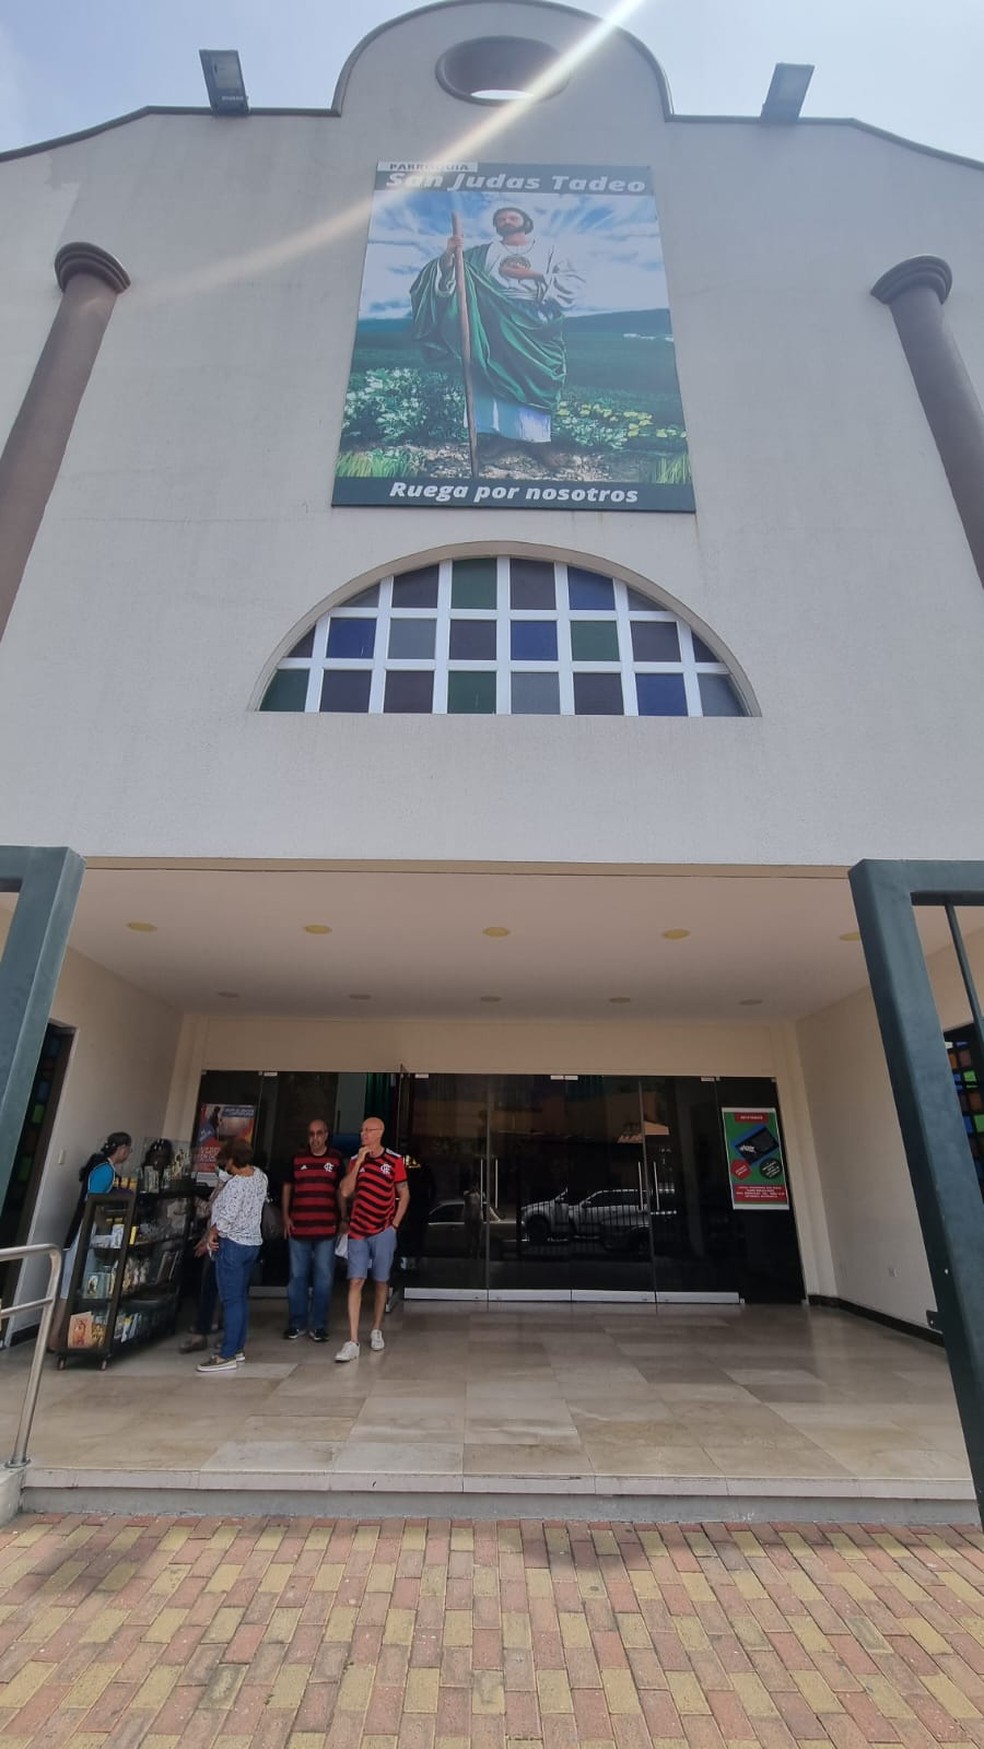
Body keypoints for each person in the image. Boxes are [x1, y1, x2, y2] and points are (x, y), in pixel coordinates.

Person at [410, 205, 583, 466]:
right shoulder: (482, 253)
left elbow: (573, 284)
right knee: (493, 378)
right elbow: (452, 274)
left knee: (534, 381)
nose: (506, 220)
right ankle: (503, 437)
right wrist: (449, 254)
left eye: (512, 217)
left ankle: (539, 443)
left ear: (525, 221)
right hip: (492, 324)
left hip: (536, 323)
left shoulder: (550, 250)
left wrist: (531, 274)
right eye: (501, 218)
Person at [48, 1131, 132, 1352]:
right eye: (128, 1150)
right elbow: (92, 1203)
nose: (128, 1154)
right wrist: (104, 1225)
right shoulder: (104, 1170)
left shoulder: (103, 1168)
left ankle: (70, 1333)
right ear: (121, 1149)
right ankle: (56, 1335)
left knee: (78, 1283)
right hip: (83, 1232)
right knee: (71, 1283)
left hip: (88, 1230)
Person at [335, 1116, 408, 1362]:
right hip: (358, 1230)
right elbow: (345, 1191)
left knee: (380, 1280)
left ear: (380, 1132)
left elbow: (404, 1193)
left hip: (383, 1230)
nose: (363, 1134)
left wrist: (394, 1226)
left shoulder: (395, 1160)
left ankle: (376, 1329)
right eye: (361, 1130)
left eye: (368, 1130)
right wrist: (358, 1164)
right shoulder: (356, 1161)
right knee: (355, 1281)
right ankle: (353, 1339)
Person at [194, 1137, 267, 1374]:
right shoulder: (259, 1177)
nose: (226, 1167)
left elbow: (227, 1217)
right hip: (251, 1244)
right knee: (241, 1299)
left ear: (234, 1160)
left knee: (231, 1300)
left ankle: (226, 1354)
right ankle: (237, 1347)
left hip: (232, 1246)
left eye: (227, 1163)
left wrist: (212, 1233)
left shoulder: (237, 1185)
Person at [281, 1119, 344, 1342]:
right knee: (297, 1277)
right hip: (299, 1227)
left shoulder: (335, 1159)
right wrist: (285, 1216)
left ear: (326, 1135)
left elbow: (339, 1190)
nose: (315, 1138)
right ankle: (296, 1323)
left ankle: (318, 1325)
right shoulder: (297, 1158)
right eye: (311, 1134)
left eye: (319, 1133)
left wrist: (343, 1218)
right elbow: (288, 1187)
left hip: (326, 1228)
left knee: (324, 1278)